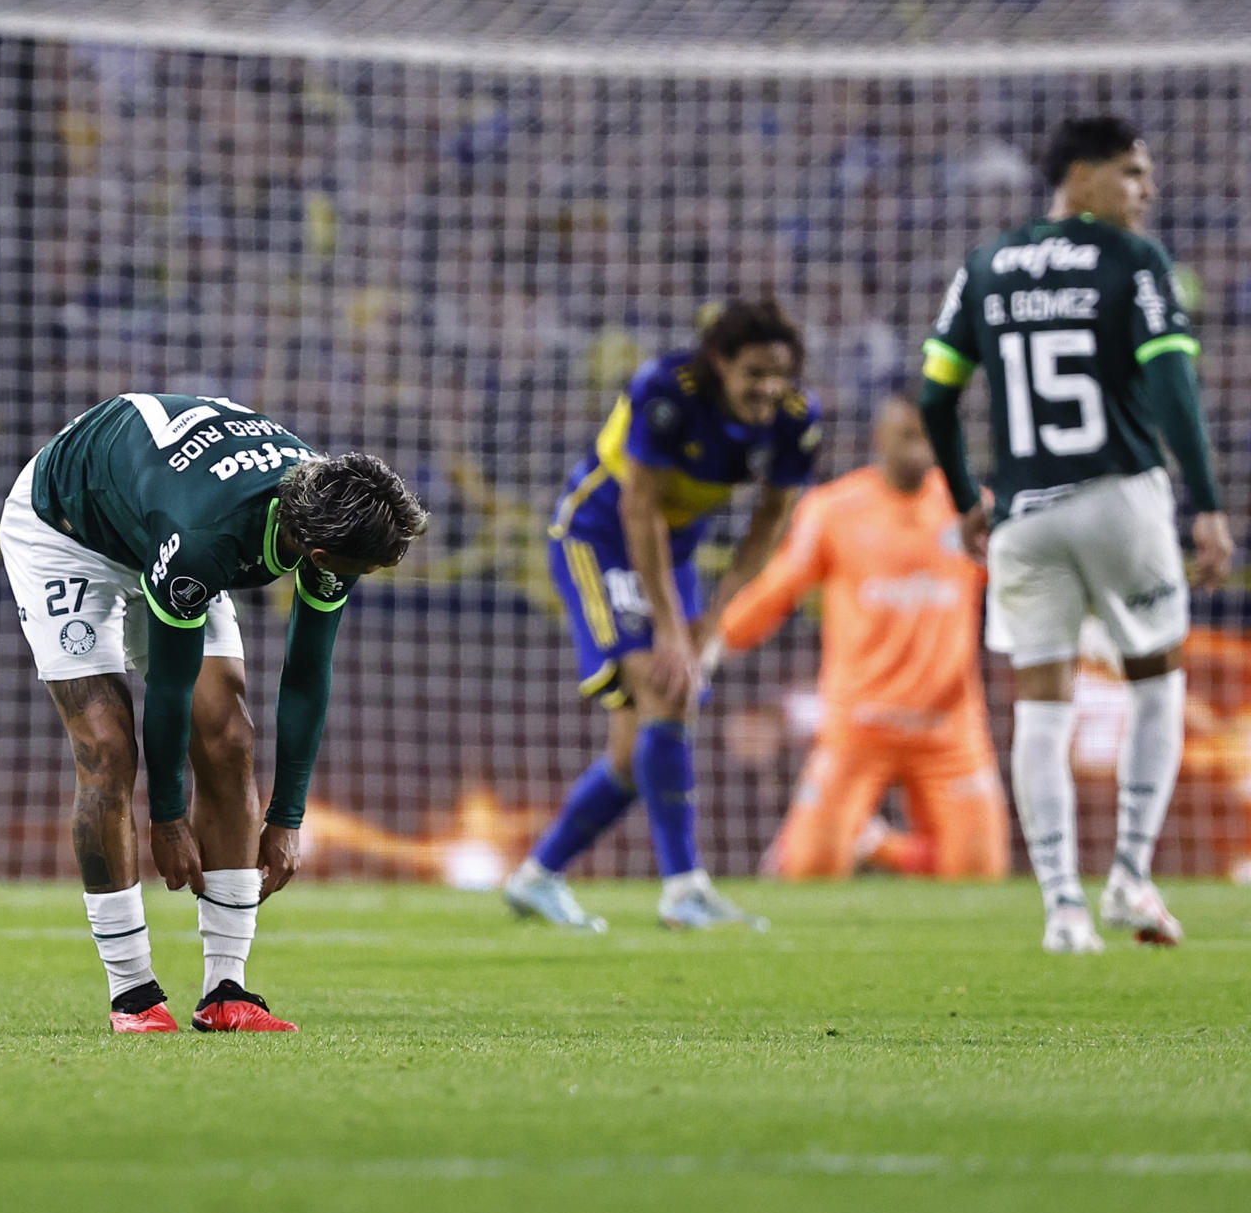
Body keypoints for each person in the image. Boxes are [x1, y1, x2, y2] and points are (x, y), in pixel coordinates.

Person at [0, 395, 426, 1032]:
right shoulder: (206, 542)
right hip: (69, 530)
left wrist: (288, 818)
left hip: (159, 511)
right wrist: (167, 818)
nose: (371, 573)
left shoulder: (339, 507)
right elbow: (168, 687)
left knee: (228, 740)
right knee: (109, 749)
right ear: (318, 557)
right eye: (365, 569)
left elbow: (307, 674)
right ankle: (134, 995)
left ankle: (228, 990)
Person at [921, 115, 1232, 953]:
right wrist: (1203, 501)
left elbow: (934, 398)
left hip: (1022, 514)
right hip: (1117, 497)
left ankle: (1061, 906)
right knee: (1156, 679)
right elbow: (1170, 382)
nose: (1148, 190)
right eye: (1133, 172)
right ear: (1082, 177)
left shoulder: (985, 266)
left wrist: (963, 498)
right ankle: (1130, 876)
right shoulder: (1133, 261)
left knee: (1041, 705)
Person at [505, 300, 820, 931]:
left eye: (778, 374)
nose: (767, 388)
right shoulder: (665, 393)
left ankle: (538, 876)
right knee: (664, 685)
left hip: (670, 555)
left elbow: (770, 521)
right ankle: (683, 889)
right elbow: (638, 508)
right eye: (753, 372)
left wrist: (716, 615)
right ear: (720, 363)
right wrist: (675, 629)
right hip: (598, 536)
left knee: (636, 750)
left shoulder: (793, 421)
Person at [715, 388, 1009, 882]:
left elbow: (1021, 584)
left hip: (949, 727)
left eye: (929, 435)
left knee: (981, 874)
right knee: (810, 871)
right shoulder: (833, 509)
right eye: (907, 434)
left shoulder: (972, 509)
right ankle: (863, 841)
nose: (919, 446)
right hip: (859, 724)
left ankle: (878, 844)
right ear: (880, 438)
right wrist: (716, 639)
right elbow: (778, 588)